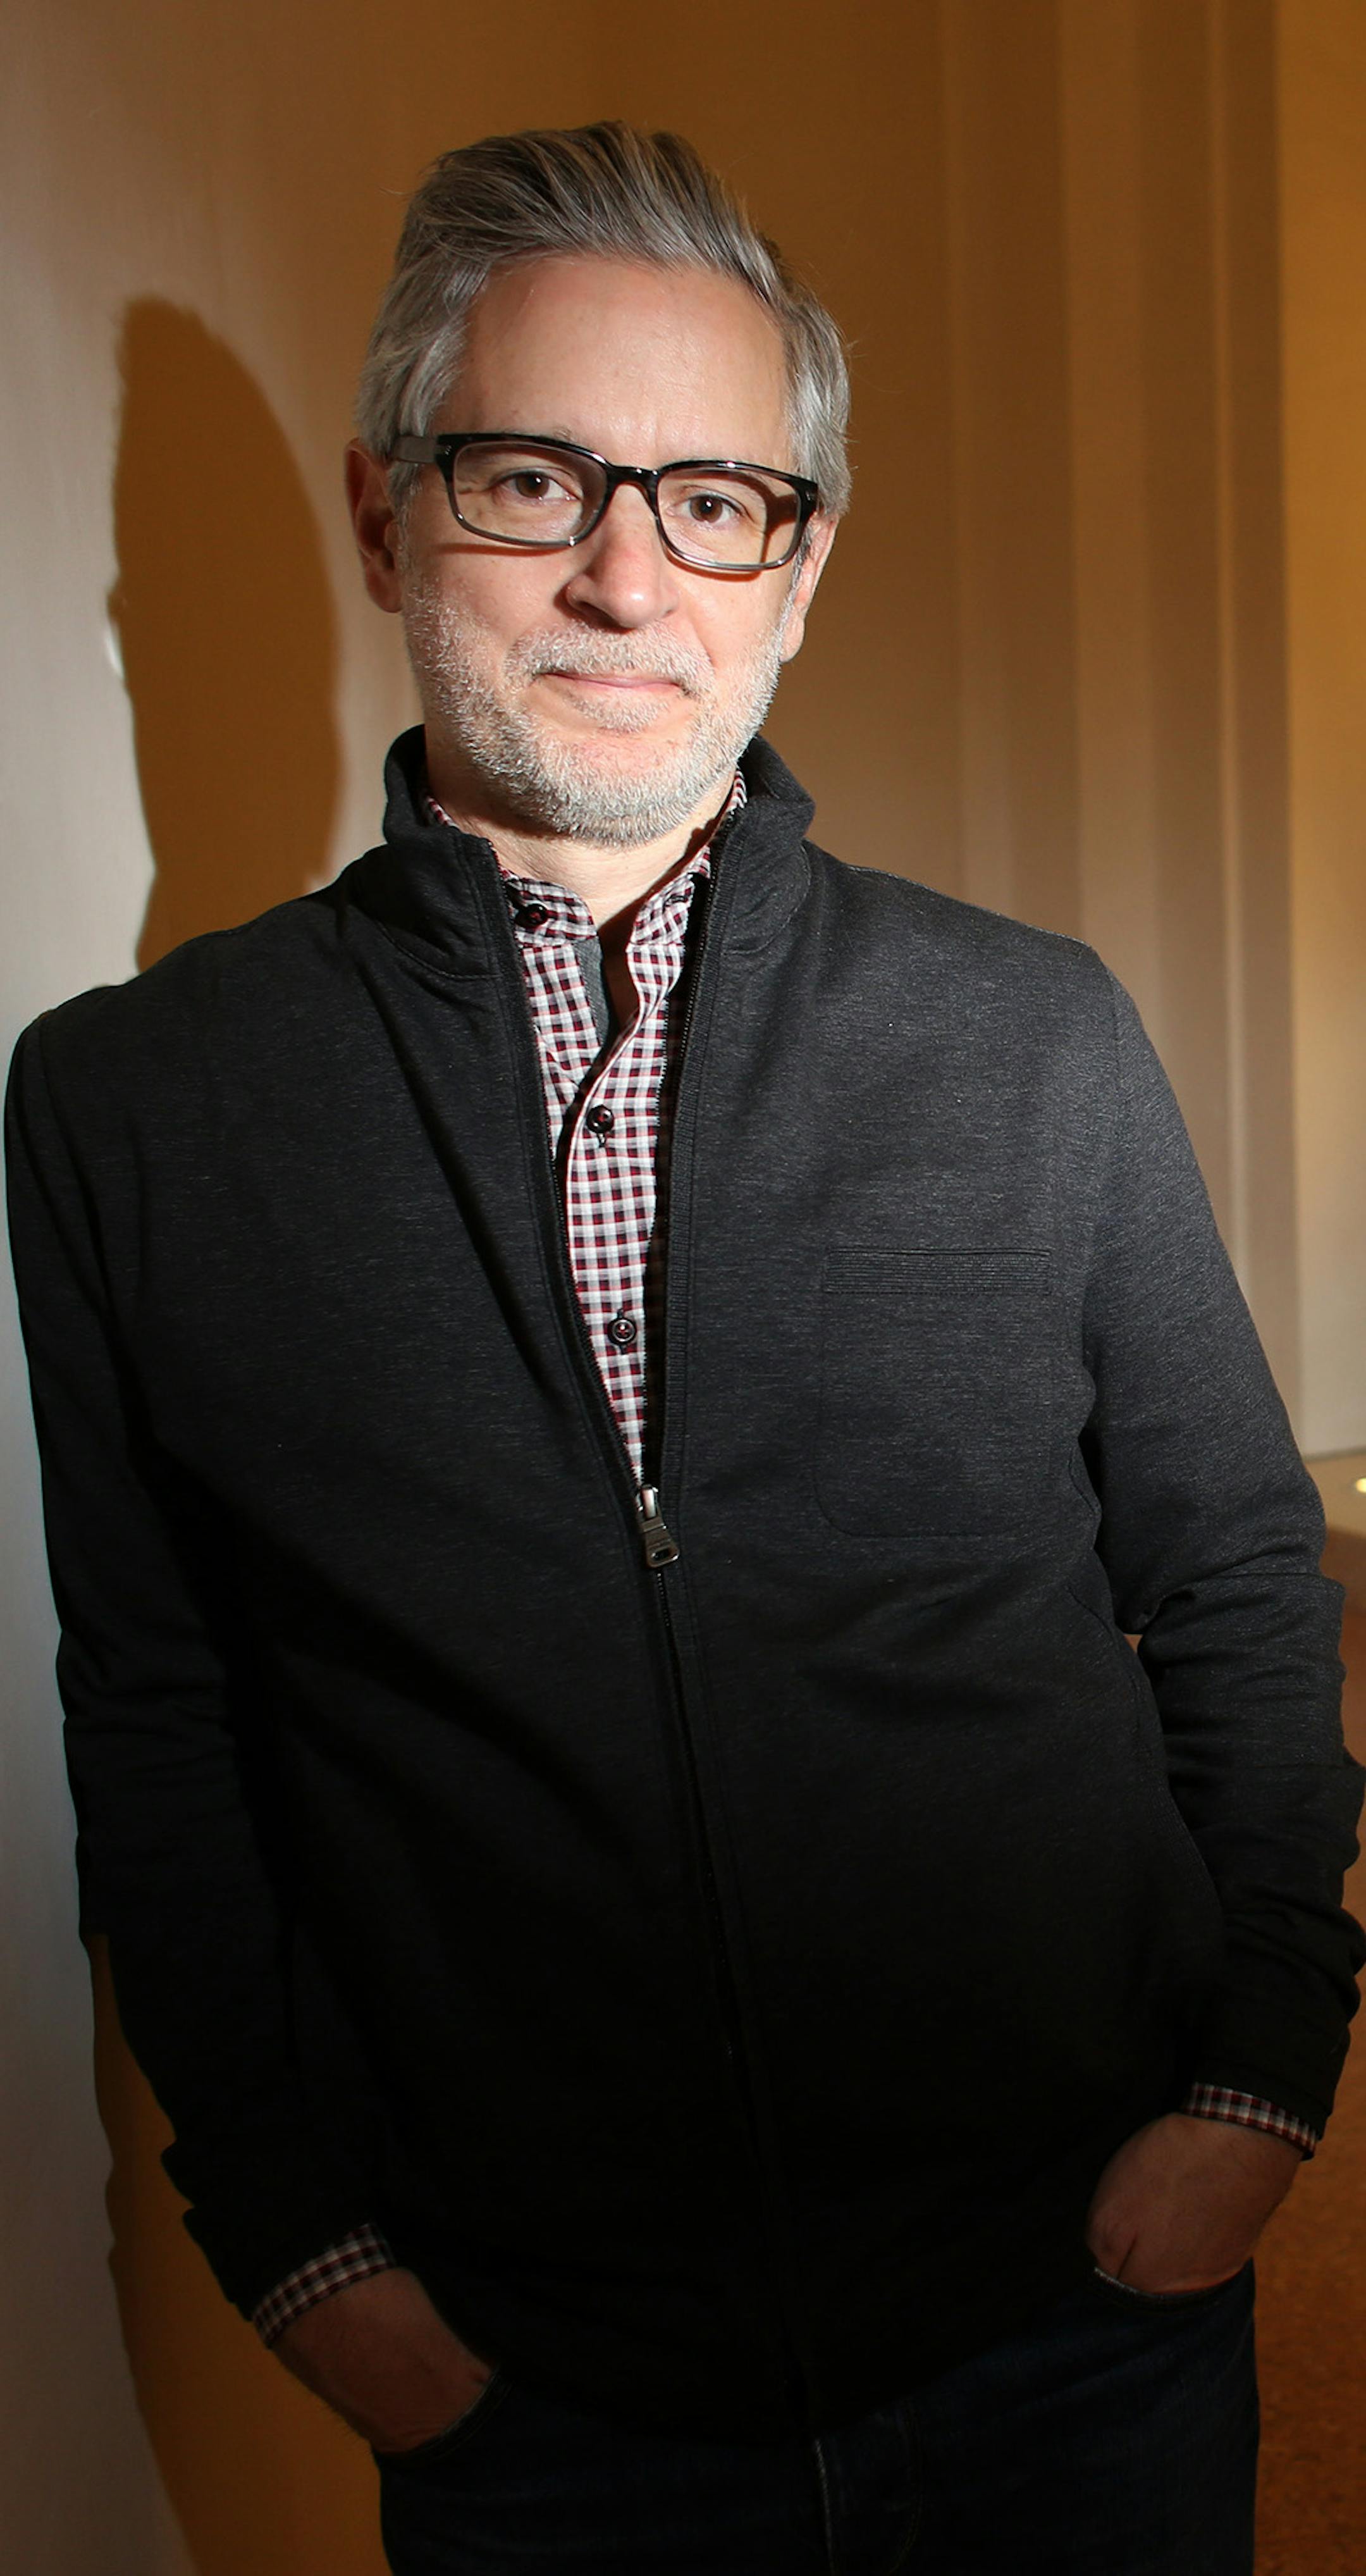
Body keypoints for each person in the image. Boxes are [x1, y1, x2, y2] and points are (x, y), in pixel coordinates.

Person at [7, 121, 1363, 2576]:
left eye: (719, 498)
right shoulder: (133, 1111)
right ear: (389, 511)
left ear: (801, 565)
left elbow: (1248, 1582)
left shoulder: (1035, 1042)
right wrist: (309, 2254)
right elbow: (162, 1724)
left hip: (1070, 2329)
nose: (632, 572)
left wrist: (1263, 2076)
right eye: (539, 475)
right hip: (547, 2415)